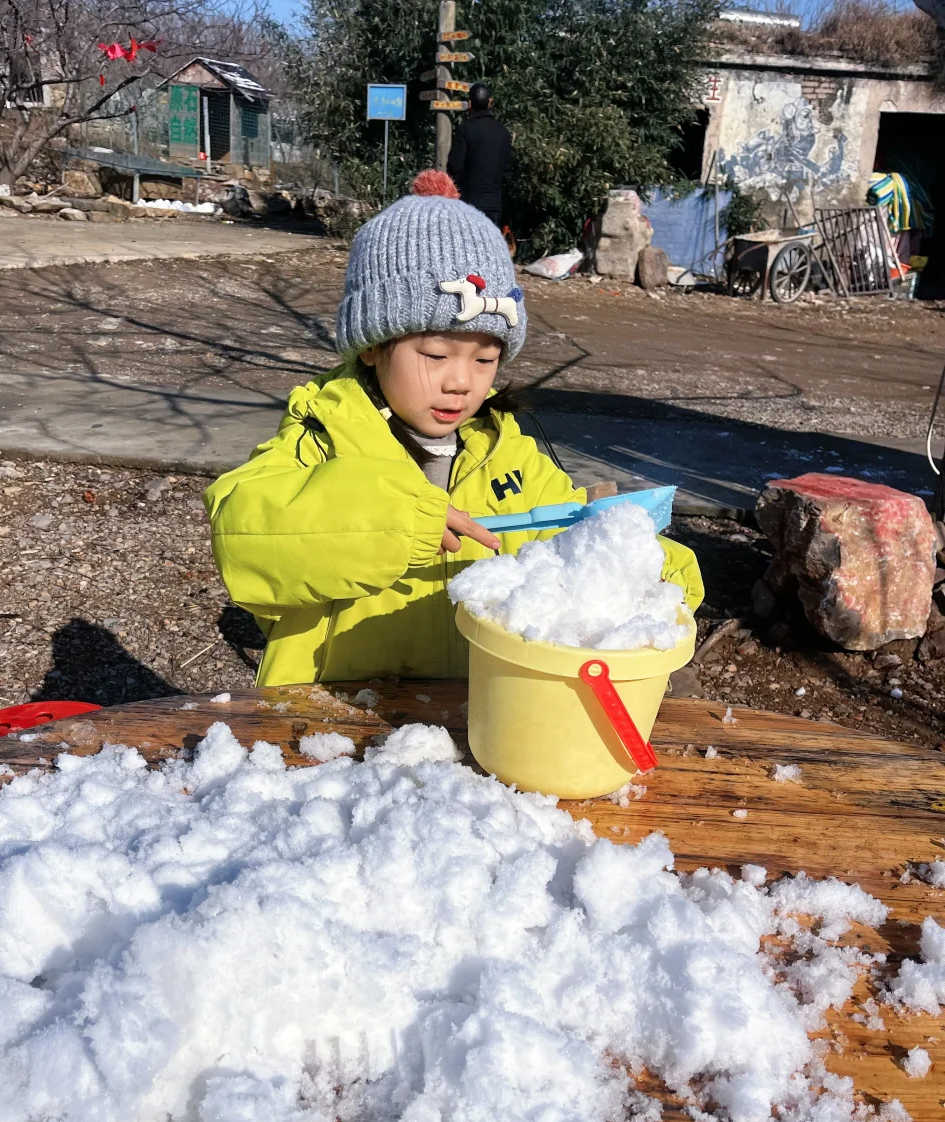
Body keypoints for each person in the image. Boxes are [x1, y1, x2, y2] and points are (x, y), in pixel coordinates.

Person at [203, 171, 702, 686]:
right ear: (373, 345)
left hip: (479, 713)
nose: (462, 382)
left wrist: (653, 567)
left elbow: (572, 529)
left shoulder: (507, 453)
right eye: (436, 354)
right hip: (335, 713)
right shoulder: (324, 436)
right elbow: (244, 538)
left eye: (485, 360)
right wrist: (391, 520)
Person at [447, 83, 512, 228]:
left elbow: (455, 167)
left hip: (469, 203)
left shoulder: (465, 130)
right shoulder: (503, 133)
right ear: (490, 102)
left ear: (469, 104)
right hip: (494, 204)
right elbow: (508, 169)